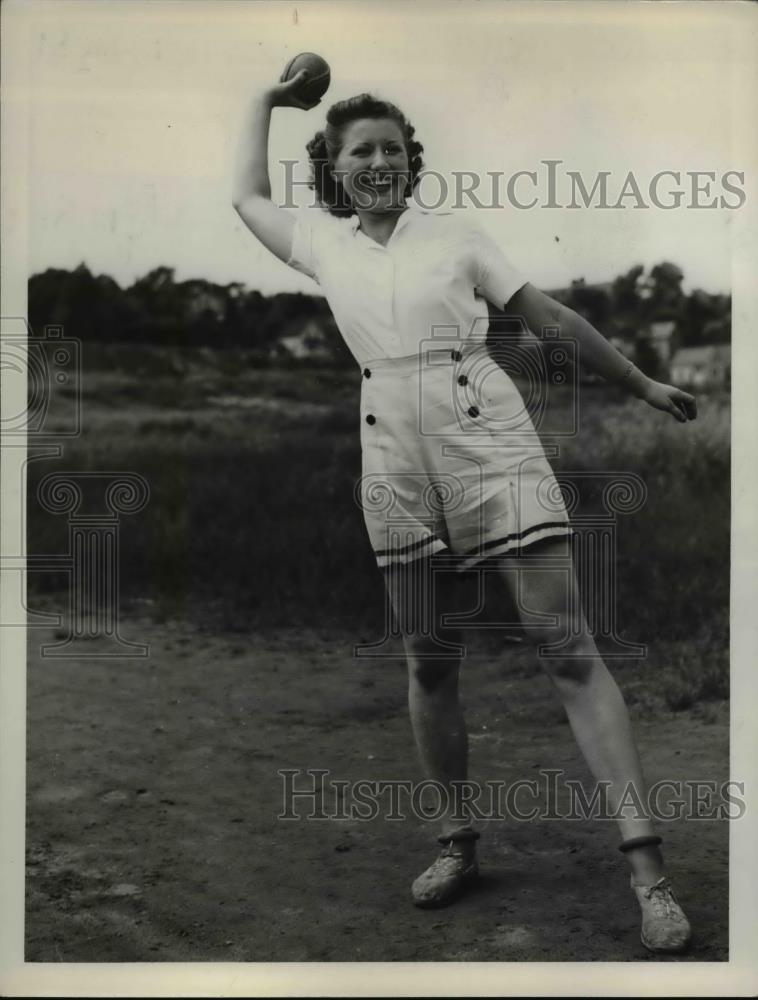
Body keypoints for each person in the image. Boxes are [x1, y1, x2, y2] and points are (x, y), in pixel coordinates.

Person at [231, 67, 698, 955]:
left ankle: (651, 877)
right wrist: (266, 101)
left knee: (568, 650)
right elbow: (247, 196)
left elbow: (550, 317)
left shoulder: (457, 236)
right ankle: (457, 846)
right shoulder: (321, 244)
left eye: (391, 149)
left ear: (412, 161)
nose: (378, 163)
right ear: (333, 168)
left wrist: (639, 382)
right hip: (392, 459)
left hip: (489, 442)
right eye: (359, 153)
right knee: (429, 660)